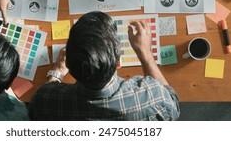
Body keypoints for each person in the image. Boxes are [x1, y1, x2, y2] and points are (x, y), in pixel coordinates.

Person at [28, 11, 180, 120]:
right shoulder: (154, 99)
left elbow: (40, 106)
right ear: (119, 62)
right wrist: (146, 55)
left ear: (67, 62)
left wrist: (57, 73)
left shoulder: (44, 101)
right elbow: (172, 103)